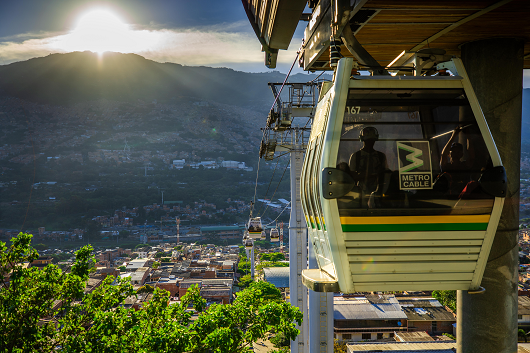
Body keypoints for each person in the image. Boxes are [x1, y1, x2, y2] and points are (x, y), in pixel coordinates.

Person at [349, 126, 389, 208]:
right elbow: (352, 177)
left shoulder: (381, 156)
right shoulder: (356, 156)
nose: (370, 143)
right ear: (363, 140)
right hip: (360, 191)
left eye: (372, 140)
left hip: (378, 191)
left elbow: (386, 174)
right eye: (368, 140)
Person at [439, 126, 474, 196]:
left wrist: (468, 137)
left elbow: (471, 155)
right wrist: (453, 136)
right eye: (453, 152)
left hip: (463, 197)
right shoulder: (446, 166)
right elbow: (443, 154)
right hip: (448, 197)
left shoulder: (464, 166)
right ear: (449, 154)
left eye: (458, 152)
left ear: (461, 154)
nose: (456, 154)